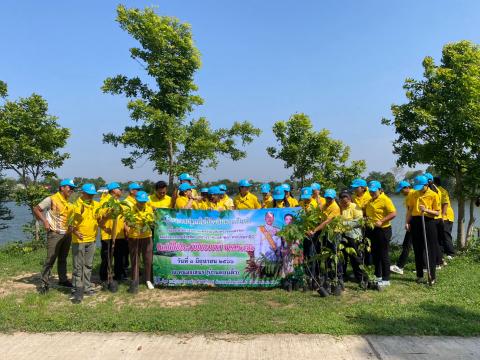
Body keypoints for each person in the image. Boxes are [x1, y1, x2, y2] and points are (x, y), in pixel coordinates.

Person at [33, 178, 76, 294]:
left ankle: (63, 280)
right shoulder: (51, 199)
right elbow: (36, 209)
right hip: (54, 234)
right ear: (62, 188)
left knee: (63, 258)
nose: (72, 190)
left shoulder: (69, 201)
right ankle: (44, 283)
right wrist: (45, 221)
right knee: (50, 259)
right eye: (70, 188)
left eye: (73, 188)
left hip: (67, 234)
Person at [68, 184, 101, 303]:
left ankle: (87, 287)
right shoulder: (76, 205)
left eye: (93, 195)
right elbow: (70, 225)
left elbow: (100, 218)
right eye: (89, 194)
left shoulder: (96, 205)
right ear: (83, 193)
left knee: (88, 265)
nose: (91, 197)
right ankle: (77, 288)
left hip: (91, 239)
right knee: (78, 266)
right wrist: (76, 233)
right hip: (79, 240)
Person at [407, 175, 440, 285]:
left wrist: (426, 210)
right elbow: (410, 209)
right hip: (416, 221)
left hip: (428, 221)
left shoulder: (433, 195)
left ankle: (432, 276)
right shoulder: (414, 194)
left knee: (430, 249)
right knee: (417, 249)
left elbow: (437, 212)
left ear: (426, 185)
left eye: (421, 187)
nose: (419, 189)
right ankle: (419, 275)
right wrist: (407, 222)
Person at [365, 181, 397, 288]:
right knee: (375, 254)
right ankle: (378, 275)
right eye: (371, 191)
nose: (372, 193)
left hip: (383, 230)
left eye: (374, 191)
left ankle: (386, 278)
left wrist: (382, 221)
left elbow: (393, 213)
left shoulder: (385, 199)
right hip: (372, 230)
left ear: (380, 189)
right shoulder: (370, 200)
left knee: (383, 254)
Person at [98, 182, 128, 285]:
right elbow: (101, 216)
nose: (121, 190)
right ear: (113, 190)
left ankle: (118, 276)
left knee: (119, 257)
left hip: (119, 235)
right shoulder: (105, 201)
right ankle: (104, 277)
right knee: (107, 257)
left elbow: (124, 218)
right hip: (108, 234)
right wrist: (111, 210)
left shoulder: (119, 202)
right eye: (118, 188)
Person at [125, 191, 154, 293]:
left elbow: (151, 222)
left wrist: (149, 222)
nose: (142, 203)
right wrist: (129, 230)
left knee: (148, 259)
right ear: (136, 200)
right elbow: (127, 222)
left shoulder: (149, 208)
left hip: (147, 236)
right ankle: (135, 280)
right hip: (135, 237)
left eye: (144, 201)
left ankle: (148, 279)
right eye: (140, 201)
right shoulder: (131, 209)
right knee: (135, 259)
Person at [338, 190, 364, 283]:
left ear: (349, 199)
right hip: (342, 235)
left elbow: (359, 221)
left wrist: (344, 224)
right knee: (342, 256)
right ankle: (342, 275)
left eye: (345, 202)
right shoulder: (339, 207)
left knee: (355, 257)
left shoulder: (355, 207)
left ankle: (360, 277)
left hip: (353, 235)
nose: (344, 204)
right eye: (342, 202)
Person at [390, 180, 414, 275]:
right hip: (417, 221)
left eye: (401, 190)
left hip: (413, 222)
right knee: (420, 245)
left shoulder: (411, 196)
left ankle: (400, 266)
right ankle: (425, 265)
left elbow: (410, 211)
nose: (401, 192)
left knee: (407, 244)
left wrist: (407, 222)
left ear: (407, 188)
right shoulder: (414, 194)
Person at [433, 177, 456, 258]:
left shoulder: (441, 191)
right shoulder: (436, 190)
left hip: (446, 216)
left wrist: (442, 216)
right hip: (442, 216)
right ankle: (441, 253)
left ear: (434, 183)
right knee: (440, 235)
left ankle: (451, 254)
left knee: (446, 234)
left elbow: (445, 203)